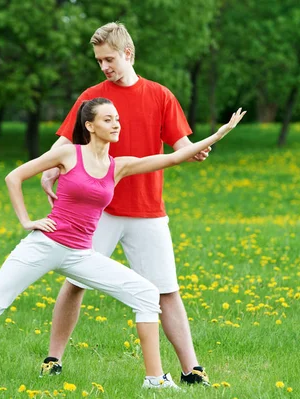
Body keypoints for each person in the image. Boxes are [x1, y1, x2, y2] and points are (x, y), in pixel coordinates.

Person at [0, 97, 245, 389]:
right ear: (91, 125)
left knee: (145, 292)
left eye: (117, 120)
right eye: (108, 119)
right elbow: (14, 177)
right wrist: (27, 221)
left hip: (81, 253)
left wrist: (218, 134)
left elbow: (171, 159)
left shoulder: (118, 166)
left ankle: (154, 380)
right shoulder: (69, 154)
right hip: (45, 244)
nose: (116, 125)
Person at [41, 22, 213, 385]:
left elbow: (180, 144)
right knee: (75, 281)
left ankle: (191, 369)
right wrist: (49, 167)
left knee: (166, 290)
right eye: (99, 61)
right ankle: (52, 359)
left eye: (109, 59)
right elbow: (64, 143)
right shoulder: (92, 98)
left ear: (128, 54)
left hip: (148, 210)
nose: (104, 66)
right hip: (97, 210)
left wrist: (194, 152)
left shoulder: (160, 95)